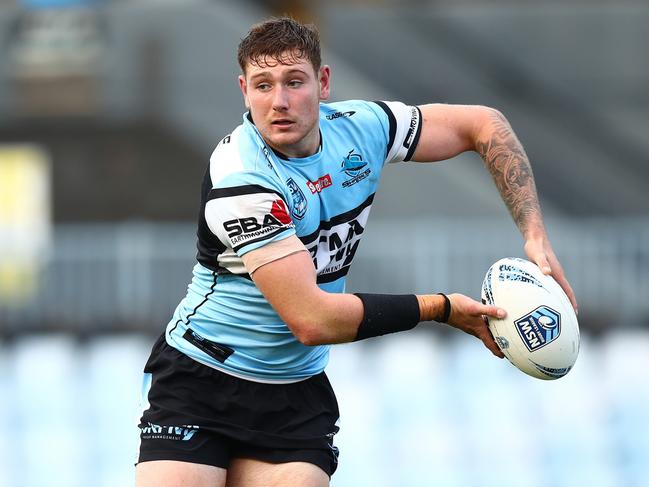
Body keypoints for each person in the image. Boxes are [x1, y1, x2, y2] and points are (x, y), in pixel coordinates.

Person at [135, 16, 578, 487]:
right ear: (244, 90)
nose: (279, 102)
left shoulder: (361, 128)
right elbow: (312, 320)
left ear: (323, 84)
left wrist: (534, 233)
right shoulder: (241, 178)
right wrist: (441, 309)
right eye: (263, 85)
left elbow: (484, 124)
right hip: (202, 377)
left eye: (294, 82)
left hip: (294, 393)